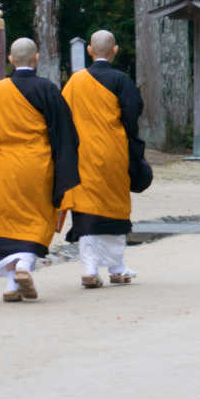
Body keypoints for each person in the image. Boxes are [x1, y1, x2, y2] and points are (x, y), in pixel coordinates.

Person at [0, 37, 79, 303]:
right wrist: (63, 165)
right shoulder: (47, 89)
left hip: (5, 167)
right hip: (38, 166)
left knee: (8, 223)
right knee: (36, 219)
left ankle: (10, 284)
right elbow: (66, 133)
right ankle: (23, 266)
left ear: (10, 60)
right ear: (36, 58)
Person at [60, 29, 147, 288]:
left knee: (85, 209)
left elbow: (63, 115)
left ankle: (89, 268)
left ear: (89, 51)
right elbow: (132, 114)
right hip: (113, 152)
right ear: (115, 50)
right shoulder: (121, 80)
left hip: (82, 154)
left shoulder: (75, 82)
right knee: (115, 208)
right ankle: (117, 267)